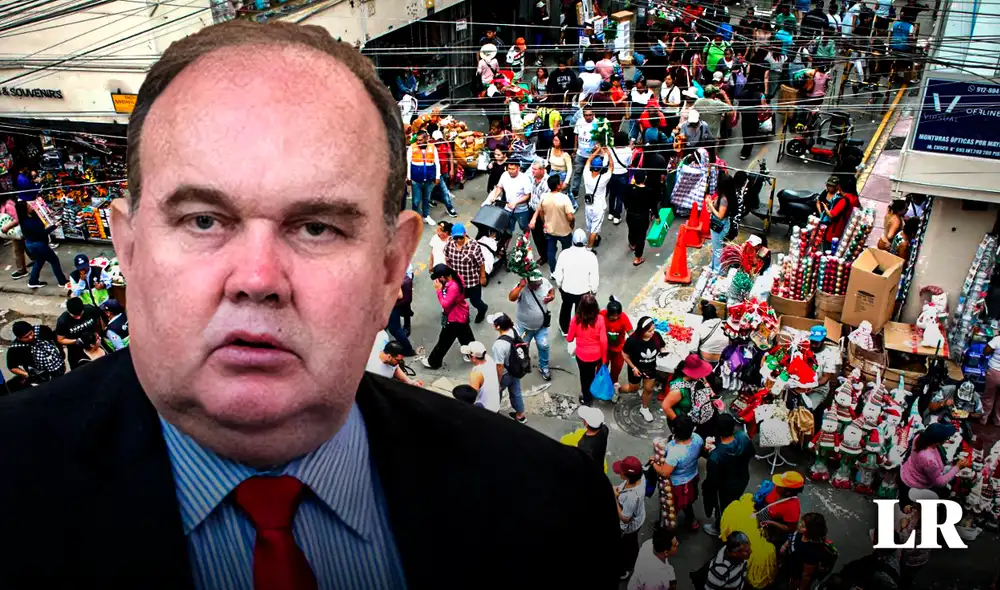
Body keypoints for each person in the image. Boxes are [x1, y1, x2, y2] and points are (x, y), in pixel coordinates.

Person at [0, 22, 621, 587]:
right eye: (203, 219)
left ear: (391, 268)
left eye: (318, 227)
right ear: (128, 249)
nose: (257, 278)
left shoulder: (546, 508)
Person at [702, 414, 754, 537]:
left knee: (722, 508)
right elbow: (751, 453)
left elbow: (712, 481)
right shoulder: (743, 438)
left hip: (725, 488)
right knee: (734, 501)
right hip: (742, 478)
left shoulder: (715, 457)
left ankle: (720, 527)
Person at [650, 415, 705, 530]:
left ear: (674, 430)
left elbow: (665, 473)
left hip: (677, 484)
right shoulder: (697, 438)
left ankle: (665, 527)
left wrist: (653, 463)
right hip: (692, 477)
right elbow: (700, 453)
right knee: (688, 502)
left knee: (670, 507)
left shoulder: (674, 451)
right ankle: (692, 521)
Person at [899, 422, 968, 503]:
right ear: (938, 441)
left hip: (908, 471)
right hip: (915, 482)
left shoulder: (919, 437)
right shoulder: (929, 459)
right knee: (944, 492)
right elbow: (939, 482)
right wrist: (957, 467)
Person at [422, 264, 475, 369]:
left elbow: (445, 303)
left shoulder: (453, 287)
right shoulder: (456, 277)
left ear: (442, 277)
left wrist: (438, 290)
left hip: (454, 317)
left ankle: (434, 361)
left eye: (438, 278)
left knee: (444, 341)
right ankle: (472, 353)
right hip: (462, 313)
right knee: (465, 335)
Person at [15, 192, 68, 289]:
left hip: (31, 244)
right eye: (28, 206)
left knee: (39, 261)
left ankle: (33, 281)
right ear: (25, 210)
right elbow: (43, 232)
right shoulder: (29, 222)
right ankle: (62, 281)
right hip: (38, 245)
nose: (31, 206)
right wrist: (55, 226)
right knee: (54, 260)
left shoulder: (25, 219)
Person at [508, 271, 554, 381]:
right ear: (529, 283)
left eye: (539, 283)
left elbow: (551, 290)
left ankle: (544, 367)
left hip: (541, 326)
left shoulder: (544, 282)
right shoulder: (522, 287)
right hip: (524, 327)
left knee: (544, 346)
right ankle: (523, 364)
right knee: (522, 347)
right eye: (536, 284)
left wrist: (551, 296)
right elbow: (511, 297)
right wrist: (520, 286)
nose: (538, 285)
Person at [621, 317, 666, 423]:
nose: (652, 333)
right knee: (633, 388)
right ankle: (617, 389)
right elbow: (624, 354)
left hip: (650, 368)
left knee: (648, 389)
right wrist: (633, 367)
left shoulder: (656, 336)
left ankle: (644, 408)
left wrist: (663, 352)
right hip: (636, 368)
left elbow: (663, 346)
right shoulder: (632, 340)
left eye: (653, 330)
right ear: (642, 330)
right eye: (649, 331)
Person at [567, 293, 608, 406]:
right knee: (593, 374)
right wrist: (604, 360)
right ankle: (594, 390)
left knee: (585, 378)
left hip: (582, 356)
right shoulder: (600, 319)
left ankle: (587, 399)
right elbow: (604, 341)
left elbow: (569, 339)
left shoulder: (576, 320)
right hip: (597, 356)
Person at [444, 222, 489, 323]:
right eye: (456, 238)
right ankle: (464, 316)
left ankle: (483, 309)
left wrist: (483, 276)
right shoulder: (450, 243)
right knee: (458, 301)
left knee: (476, 301)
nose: (458, 240)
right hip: (457, 281)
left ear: (465, 234)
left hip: (471, 281)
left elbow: (481, 262)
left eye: (461, 237)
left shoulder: (473, 246)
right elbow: (446, 257)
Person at [488, 312, 528, 423]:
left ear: (498, 326)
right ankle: (520, 415)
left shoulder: (499, 345)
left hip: (505, 373)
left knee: (496, 393)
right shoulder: (514, 330)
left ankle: (493, 412)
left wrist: (498, 382)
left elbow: (499, 366)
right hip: (516, 369)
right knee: (516, 392)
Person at [532, 174, 576, 273]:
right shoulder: (564, 198)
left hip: (550, 230)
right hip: (564, 231)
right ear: (558, 186)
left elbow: (541, 212)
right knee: (567, 251)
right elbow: (570, 216)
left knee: (551, 252)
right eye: (560, 182)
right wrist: (572, 223)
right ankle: (566, 270)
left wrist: (545, 223)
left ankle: (553, 271)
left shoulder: (544, 197)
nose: (561, 183)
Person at [781, 512, 837, 590]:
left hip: (795, 576)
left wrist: (801, 588)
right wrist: (784, 546)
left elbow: (806, 575)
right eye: (801, 523)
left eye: (803, 526)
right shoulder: (801, 532)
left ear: (811, 531)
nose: (799, 525)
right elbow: (793, 538)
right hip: (790, 564)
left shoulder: (812, 551)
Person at [894, 489, 937, 590]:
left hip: (913, 559)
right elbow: (911, 512)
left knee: (904, 578)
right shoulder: (920, 512)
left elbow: (909, 545)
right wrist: (908, 510)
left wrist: (903, 528)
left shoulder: (924, 526)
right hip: (914, 556)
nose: (913, 503)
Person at [614, 456, 648, 582]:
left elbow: (625, 518)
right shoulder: (641, 478)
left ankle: (624, 570)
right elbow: (623, 488)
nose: (619, 474)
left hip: (629, 527)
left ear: (626, 476)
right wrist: (617, 490)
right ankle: (632, 559)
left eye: (621, 472)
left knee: (624, 547)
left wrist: (615, 500)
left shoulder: (632, 497)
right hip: (639, 517)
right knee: (632, 544)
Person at [663, 354, 715, 428]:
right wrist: (680, 425)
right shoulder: (678, 390)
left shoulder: (700, 378)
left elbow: (706, 385)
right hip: (685, 421)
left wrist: (712, 396)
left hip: (699, 416)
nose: (701, 374)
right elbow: (666, 406)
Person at [55, 296, 104, 369]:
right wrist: (77, 341)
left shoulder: (90, 309)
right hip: (76, 351)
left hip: (94, 344)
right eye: (75, 316)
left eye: (80, 314)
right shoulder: (63, 321)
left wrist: (99, 332)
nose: (79, 318)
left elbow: (99, 320)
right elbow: (60, 339)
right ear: (68, 311)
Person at [759, 471, 805, 547]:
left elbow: (790, 528)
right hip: (764, 514)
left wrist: (771, 523)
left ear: (787, 493)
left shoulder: (792, 508)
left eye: (780, 485)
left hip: (774, 530)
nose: (776, 485)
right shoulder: (776, 489)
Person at [489, 159, 535, 233]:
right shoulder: (504, 175)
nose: (510, 171)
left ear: (518, 168)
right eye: (509, 169)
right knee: (507, 230)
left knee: (524, 227)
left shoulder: (525, 178)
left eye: (513, 169)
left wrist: (515, 203)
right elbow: (499, 187)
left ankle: (525, 241)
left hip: (521, 210)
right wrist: (495, 196)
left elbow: (527, 195)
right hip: (508, 208)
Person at [406, 129, 440, 226]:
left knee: (426, 199)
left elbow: (437, 163)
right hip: (416, 180)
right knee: (416, 201)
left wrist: (437, 176)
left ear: (426, 139)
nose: (418, 142)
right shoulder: (412, 148)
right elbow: (408, 163)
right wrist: (408, 177)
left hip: (429, 179)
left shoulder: (433, 147)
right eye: (417, 140)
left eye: (420, 140)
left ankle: (426, 216)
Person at [623, 170, 656, 267]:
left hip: (630, 215)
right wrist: (657, 217)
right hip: (642, 217)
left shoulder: (629, 188)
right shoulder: (648, 191)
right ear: (645, 179)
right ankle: (638, 258)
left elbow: (624, 200)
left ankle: (632, 244)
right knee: (641, 237)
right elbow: (653, 206)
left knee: (632, 230)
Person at [583, 147, 614, 249]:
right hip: (598, 207)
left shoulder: (586, 174)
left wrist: (598, 150)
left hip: (588, 205)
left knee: (590, 226)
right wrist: (608, 154)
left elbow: (588, 160)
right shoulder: (603, 179)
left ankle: (594, 239)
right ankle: (589, 248)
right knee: (594, 229)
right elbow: (611, 167)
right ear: (600, 168)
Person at [601, 296, 633, 386]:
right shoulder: (601, 315)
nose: (615, 318)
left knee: (617, 368)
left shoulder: (623, 318)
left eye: (617, 316)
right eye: (612, 317)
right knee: (602, 367)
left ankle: (612, 383)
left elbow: (631, 332)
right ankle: (600, 383)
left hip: (619, 349)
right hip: (605, 348)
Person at [461, 340, 501, 413]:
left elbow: (470, 398)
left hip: (485, 409)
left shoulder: (475, 374)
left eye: (468, 355)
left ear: (473, 357)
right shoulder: (489, 359)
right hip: (495, 405)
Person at [429, 130, 459, 218]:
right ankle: (450, 208)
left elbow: (450, 155)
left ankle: (430, 199)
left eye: (440, 139)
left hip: (444, 170)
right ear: (433, 139)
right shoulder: (429, 146)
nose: (439, 141)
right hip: (435, 173)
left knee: (435, 187)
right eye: (437, 140)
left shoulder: (445, 143)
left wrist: (452, 169)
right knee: (444, 191)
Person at [819, 175, 854, 248]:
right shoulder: (852, 198)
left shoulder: (843, 200)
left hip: (833, 232)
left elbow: (831, 215)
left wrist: (825, 208)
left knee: (827, 249)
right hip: (839, 230)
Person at [571, 108, 597, 203]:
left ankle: (590, 192)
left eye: (590, 115)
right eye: (586, 115)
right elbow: (576, 135)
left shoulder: (598, 123)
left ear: (593, 114)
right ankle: (574, 191)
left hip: (592, 155)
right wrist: (575, 147)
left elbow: (600, 137)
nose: (588, 117)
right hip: (580, 153)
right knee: (577, 173)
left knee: (591, 174)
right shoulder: (580, 121)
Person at [0, 194, 28, 279]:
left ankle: (21, 271)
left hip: (16, 231)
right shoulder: (5, 204)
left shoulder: (8, 206)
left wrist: (6, 227)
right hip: (16, 231)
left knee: (17, 251)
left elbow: (17, 220)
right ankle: (36, 260)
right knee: (25, 246)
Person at [607, 132, 632, 225]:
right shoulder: (628, 150)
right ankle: (617, 216)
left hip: (612, 174)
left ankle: (611, 213)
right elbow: (629, 163)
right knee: (620, 196)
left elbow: (607, 162)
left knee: (612, 194)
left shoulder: (610, 150)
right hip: (623, 174)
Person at [705, 188, 729, 273]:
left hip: (719, 226)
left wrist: (710, 205)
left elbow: (720, 215)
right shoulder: (721, 196)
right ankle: (714, 266)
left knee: (718, 249)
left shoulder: (724, 199)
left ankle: (718, 271)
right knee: (716, 248)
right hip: (717, 225)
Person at [981, 335, 1000, 426]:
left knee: (988, 397)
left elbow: (985, 352)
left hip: (994, 373)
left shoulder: (997, 339)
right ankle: (998, 421)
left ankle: (983, 418)